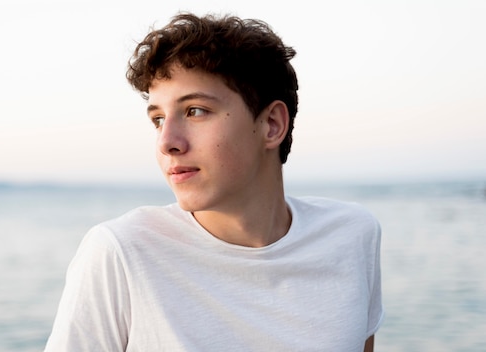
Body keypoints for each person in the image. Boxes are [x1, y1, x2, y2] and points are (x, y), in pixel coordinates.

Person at [44, 12, 383, 352]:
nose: (167, 142)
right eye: (158, 119)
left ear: (272, 125)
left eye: (195, 111)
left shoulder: (352, 235)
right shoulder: (121, 252)